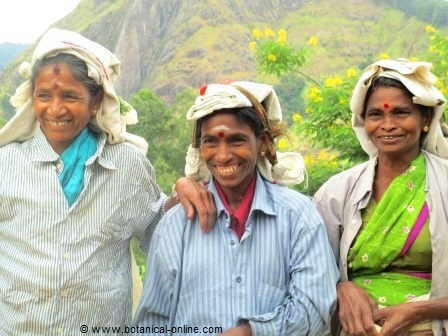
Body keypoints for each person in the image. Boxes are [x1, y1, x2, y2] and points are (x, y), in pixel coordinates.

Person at [0, 28, 214, 335]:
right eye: (44, 96)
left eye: (70, 96)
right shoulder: (5, 164)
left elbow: (160, 235)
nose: (55, 109)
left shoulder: (127, 164)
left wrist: (182, 191)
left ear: (96, 100)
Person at [135, 81, 339, 335]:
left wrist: (251, 332)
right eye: (210, 142)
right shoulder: (177, 223)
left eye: (236, 140)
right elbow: (152, 322)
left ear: (262, 142)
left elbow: (314, 308)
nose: (222, 156)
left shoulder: (298, 215)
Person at [314, 59, 448, 336]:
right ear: (365, 121)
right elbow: (312, 270)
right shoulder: (337, 192)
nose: (388, 125)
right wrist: (343, 287)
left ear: (425, 119)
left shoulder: (444, 182)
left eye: (401, 113)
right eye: (376, 115)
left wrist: (420, 310)